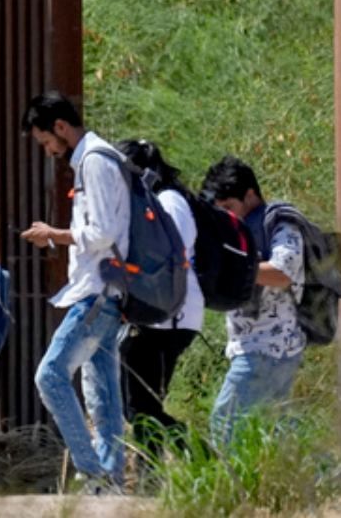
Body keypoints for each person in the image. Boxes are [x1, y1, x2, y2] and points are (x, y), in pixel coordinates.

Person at [18, 91, 130, 490]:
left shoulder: (95, 162)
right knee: (103, 390)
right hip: (106, 291)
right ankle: (112, 478)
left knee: (49, 375)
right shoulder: (96, 159)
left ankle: (93, 473)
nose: (49, 151)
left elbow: (101, 233)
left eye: (47, 142)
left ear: (61, 128)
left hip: (96, 293)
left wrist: (54, 235)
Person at [202, 155, 304, 444]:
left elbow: (283, 272)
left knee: (224, 423)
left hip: (268, 350)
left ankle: (232, 489)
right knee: (273, 434)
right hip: (256, 349)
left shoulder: (279, 222)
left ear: (250, 196)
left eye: (230, 207)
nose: (226, 216)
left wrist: (234, 268)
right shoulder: (234, 231)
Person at [114, 139, 203, 460]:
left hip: (167, 317)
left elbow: (165, 255)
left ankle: (202, 456)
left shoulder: (168, 201)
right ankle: (153, 476)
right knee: (143, 405)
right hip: (165, 315)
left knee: (139, 404)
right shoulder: (160, 201)